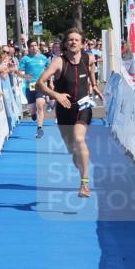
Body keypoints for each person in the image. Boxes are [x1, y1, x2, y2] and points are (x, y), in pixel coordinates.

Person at [38, 28, 102, 197]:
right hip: (64, 109)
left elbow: (92, 65)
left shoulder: (89, 58)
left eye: (76, 40)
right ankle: (79, 161)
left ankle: (84, 184)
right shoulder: (59, 62)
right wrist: (56, 94)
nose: (73, 42)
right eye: (70, 40)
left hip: (83, 106)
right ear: (65, 44)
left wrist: (94, 84)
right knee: (73, 150)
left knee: (80, 139)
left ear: (82, 44)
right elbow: (40, 83)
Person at [19, 40, 50, 138]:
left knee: (40, 105)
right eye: (31, 46)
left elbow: (49, 70)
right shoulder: (25, 59)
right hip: (30, 87)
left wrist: (50, 80)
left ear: (38, 46)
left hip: (40, 86)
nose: (34, 47)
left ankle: (40, 128)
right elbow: (19, 72)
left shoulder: (43, 58)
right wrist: (25, 76)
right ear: (28, 47)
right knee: (32, 109)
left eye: (35, 45)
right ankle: (33, 114)